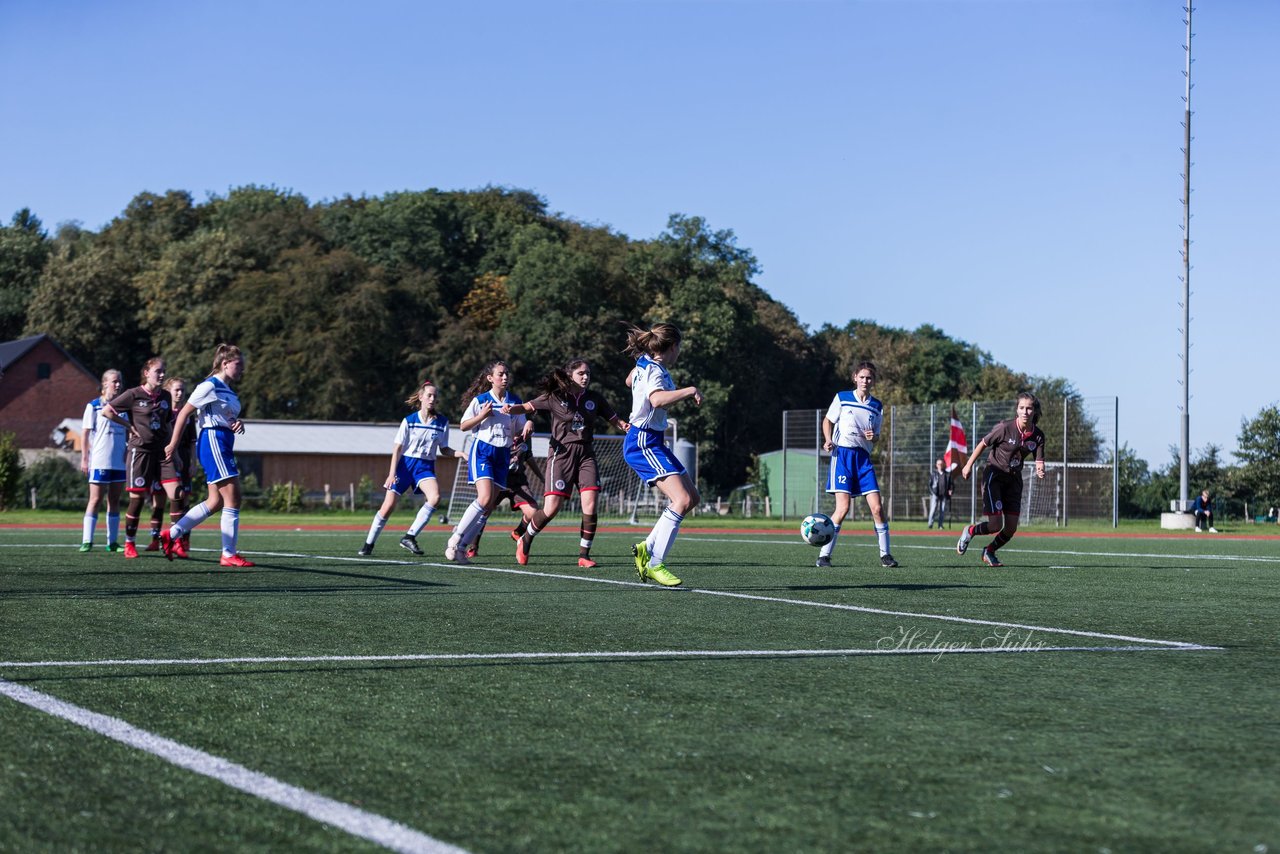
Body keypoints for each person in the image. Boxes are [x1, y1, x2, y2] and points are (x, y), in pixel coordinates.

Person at [503, 359, 630, 568]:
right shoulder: (555, 397)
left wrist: (624, 425)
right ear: (570, 375)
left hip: (586, 454)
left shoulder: (595, 398)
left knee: (590, 503)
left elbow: (614, 419)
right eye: (581, 373)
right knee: (552, 508)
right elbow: (528, 406)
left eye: (588, 373)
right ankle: (525, 539)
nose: (586, 377)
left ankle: (584, 555)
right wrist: (511, 409)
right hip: (561, 455)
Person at [160, 344, 255, 567]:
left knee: (215, 502)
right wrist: (173, 443)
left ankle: (171, 534)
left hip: (223, 441)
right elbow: (184, 413)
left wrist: (234, 423)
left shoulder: (228, 391)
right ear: (225, 363)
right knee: (234, 498)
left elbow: (223, 416)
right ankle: (228, 554)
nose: (242, 369)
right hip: (213, 441)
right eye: (238, 364)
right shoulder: (209, 386)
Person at [623, 323, 702, 587]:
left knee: (692, 498)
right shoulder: (655, 370)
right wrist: (689, 390)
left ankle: (647, 547)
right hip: (644, 441)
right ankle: (656, 562)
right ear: (672, 347)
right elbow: (656, 400)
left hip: (652, 439)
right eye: (679, 347)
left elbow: (628, 380)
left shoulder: (645, 364)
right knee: (680, 499)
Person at [358, 379, 464, 556]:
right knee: (388, 506)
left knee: (435, 497)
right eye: (429, 395)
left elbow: (444, 449)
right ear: (421, 397)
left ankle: (410, 536)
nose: (432, 399)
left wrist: (460, 453)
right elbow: (397, 448)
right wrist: (392, 474)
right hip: (405, 466)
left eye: (435, 396)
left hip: (425, 467)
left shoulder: (442, 422)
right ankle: (368, 544)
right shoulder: (409, 421)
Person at [443, 360, 533, 564]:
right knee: (484, 499)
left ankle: (461, 549)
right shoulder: (481, 400)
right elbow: (464, 425)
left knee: (488, 506)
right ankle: (456, 537)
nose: (505, 377)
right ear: (490, 378)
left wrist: (528, 422)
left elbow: (520, 429)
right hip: (483, 450)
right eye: (500, 374)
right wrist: (482, 415)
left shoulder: (514, 401)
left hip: (503, 454)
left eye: (506, 373)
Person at [817, 361, 898, 569]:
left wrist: (874, 436)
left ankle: (885, 555)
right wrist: (827, 439)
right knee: (843, 508)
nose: (865, 380)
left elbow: (876, 437)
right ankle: (824, 556)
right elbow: (827, 420)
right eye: (861, 377)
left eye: (869, 378)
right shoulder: (842, 397)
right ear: (855, 378)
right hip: (842, 456)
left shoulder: (876, 405)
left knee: (878, 508)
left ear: (873, 381)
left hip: (863, 459)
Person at [104, 357, 185, 559]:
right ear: (146, 373)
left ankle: (173, 539)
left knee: (177, 494)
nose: (162, 374)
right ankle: (130, 542)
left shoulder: (166, 396)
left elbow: (168, 426)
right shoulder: (133, 394)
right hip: (140, 453)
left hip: (162, 453)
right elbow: (107, 411)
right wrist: (129, 427)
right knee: (137, 499)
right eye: (158, 371)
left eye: (164, 371)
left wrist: (173, 451)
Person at [956, 392, 1046, 567]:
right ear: (1017, 410)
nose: (1025, 411)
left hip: (1014, 481)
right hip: (994, 476)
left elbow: (1039, 459)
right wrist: (968, 465)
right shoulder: (1004, 428)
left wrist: (1040, 469)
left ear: (1034, 411)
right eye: (1022, 408)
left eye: (1029, 408)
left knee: (1011, 528)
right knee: (995, 524)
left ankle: (989, 551)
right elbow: (983, 443)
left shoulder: (1038, 436)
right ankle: (970, 531)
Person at [79, 369, 127, 552]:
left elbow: (130, 432)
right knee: (95, 499)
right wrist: (85, 458)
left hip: (118, 461)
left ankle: (112, 542)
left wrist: (128, 449)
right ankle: (87, 540)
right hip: (99, 460)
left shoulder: (124, 407)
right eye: (114, 381)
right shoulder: (94, 406)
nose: (117, 384)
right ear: (104, 383)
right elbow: (85, 433)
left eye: (119, 381)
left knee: (114, 500)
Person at [467, 439, 539, 558]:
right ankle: (473, 546)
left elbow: (529, 457)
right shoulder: (502, 431)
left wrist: (541, 477)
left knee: (533, 512)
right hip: (497, 480)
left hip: (518, 483)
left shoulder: (526, 434)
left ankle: (518, 532)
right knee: (484, 511)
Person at [145, 376, 194, 552]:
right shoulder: (161, 411)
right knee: (158, 502)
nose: (180, 393)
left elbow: (192, 441)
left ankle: (182, 540)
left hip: (183, 459)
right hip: (163, 460)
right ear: (168, 392)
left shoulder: (187, 414)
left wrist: (193, 463)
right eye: (176, 390)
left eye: (183, 390)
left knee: (182, 499)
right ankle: (155, 539)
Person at [927, 458, 952, 529]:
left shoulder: (947, 474)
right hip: (935, 494)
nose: (940, 465)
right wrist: (932, 492)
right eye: (938, 464)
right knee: (933, 509)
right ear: (936, 465)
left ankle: (940, 525)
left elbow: (951, 485)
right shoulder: (933, 474)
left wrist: (950, 490)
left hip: (944, 495)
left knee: (942, 510)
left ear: (943, 464)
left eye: (941, 464)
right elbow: (930, 485)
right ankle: (930, 524)